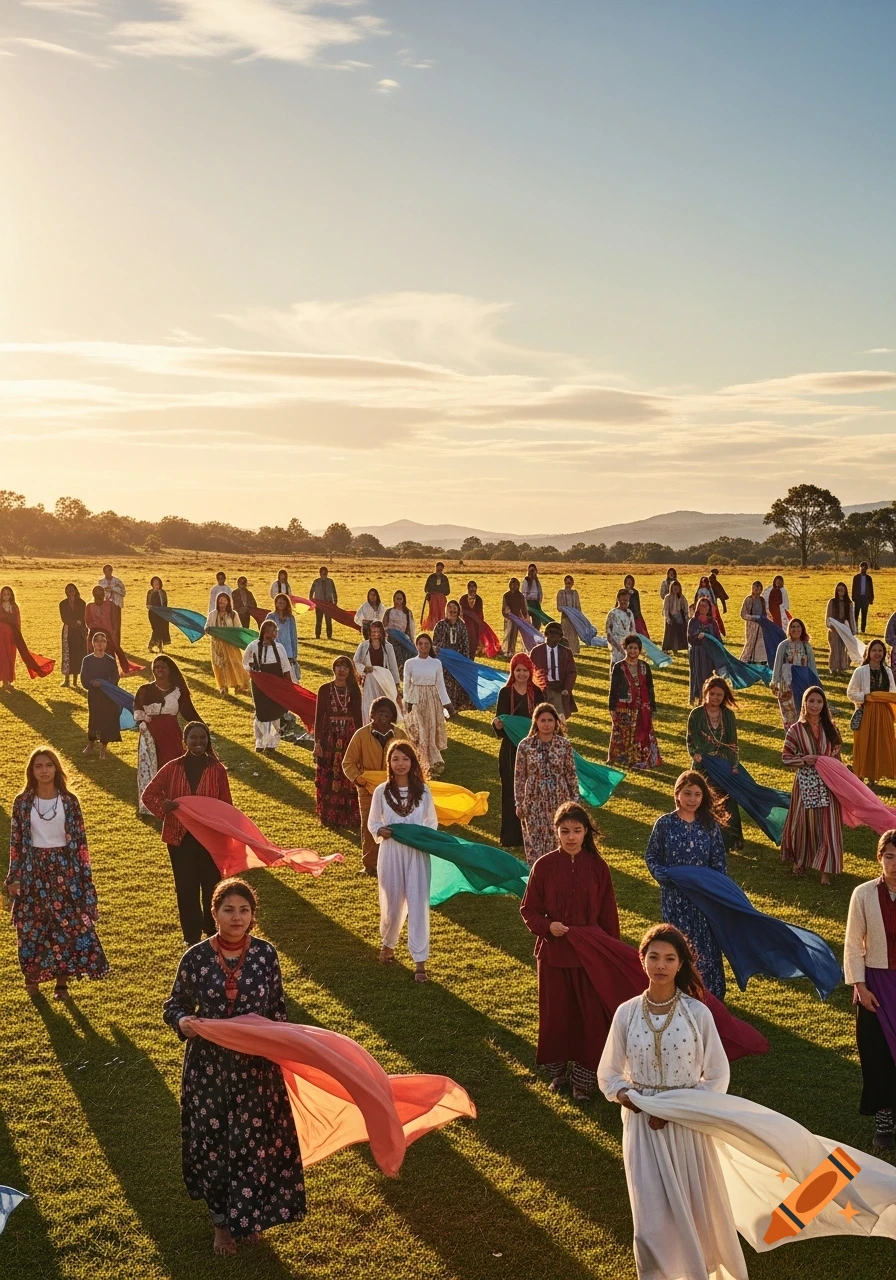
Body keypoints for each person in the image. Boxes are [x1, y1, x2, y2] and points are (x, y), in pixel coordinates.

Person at [163, 877, 305, 1254]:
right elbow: (173, 1006)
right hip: (208, 1070)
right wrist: (184, 1023)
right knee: (214, 1145)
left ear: (253, 916)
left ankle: (248, 1216)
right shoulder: (195, 958)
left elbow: (277, 1011)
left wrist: (287, 1049)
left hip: (256, 1070)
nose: (237, 917)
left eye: (244, 910)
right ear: (215, 913)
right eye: (229, 910)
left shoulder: (265, 955)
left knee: (251, 1144)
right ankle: (222, 1224)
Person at [598, 924, 748, 1280]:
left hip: (687, 1128)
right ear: (642, 959)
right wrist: (629, 1098)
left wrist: (678, 1109)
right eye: (654, 957)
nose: (661, 965)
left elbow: (716, 1076)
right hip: (642, 1128)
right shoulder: (627, 1013)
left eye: (669, 958)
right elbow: (609, 1073)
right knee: (649, 1219)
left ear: (680, 964)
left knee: (695, 1209)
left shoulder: (698, 1015)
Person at [520, 802, 620, 1100]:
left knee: (589, 1017)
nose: (571, 837)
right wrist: (548, 927)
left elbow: (608, 915)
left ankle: (583, 1081)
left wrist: (608, 952)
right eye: (565, 831)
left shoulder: (597, 867)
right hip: (553, 955)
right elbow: (529, 909)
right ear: (556, 832)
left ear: (586, 832)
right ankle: (558, 1075)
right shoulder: (544, 866)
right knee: (557, 1016)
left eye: (577, 830)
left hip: (589, 957)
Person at [6, 747, 109, 998]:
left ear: (56, 769)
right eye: (38, 766)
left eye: (48, 765)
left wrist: (84, 878)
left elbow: (81, 844)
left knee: (66, 928)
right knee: (31, 928)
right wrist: (13, 877)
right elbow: (16, 843)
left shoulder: (69, 801)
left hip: (65, 870)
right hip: (32, 871)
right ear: (31, 771)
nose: (44, 771)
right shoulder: (22, 802)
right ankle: (32, 979)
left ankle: (61, 984)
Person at [141, 722, 230, 945]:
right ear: (185, 740)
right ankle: (191, 938)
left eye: (202, 738)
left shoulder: (217, 770)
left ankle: (211, 933)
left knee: (212, 886)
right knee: (186, 888)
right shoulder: (172, 768)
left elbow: (227, 805)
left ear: (207, 741)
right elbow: (148, 795)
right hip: (179, 840)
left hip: (209, 841)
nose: (198, 742)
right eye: (194, 738)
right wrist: (165, 809)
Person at [645, 772, 729, 999]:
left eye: (697, 794)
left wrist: (714, 889)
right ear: (677, 794)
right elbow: (652, 856)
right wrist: (662, 875)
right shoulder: (665, 824)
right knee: (679, 945)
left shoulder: (709, 826)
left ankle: (709, 995)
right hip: (675, 897)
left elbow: (719, 862)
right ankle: (679, 991)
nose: (692, 799)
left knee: (706, 947)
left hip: (703, 899)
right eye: (687, 793)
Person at [369, 741, 438, 981]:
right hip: (391, 852)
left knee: (418, 903)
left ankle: (420, 961)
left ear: (413, 762)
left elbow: (431, 822)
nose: (400, 764)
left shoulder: (423, 791)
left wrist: (422, 839)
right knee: (392, 900)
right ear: (389, 762)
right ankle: (388, 945)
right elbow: (372, 822)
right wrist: (381, 830)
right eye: (395, 759)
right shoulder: (381, 791)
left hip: (417, 853)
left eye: (405, 759)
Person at [844, 830, 896, 1150]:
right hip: (875, 986)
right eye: (889, 856)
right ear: (879, 858)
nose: (895, 864)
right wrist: (860, 987)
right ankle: (884, 1122)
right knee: (878, 1055)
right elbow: (852, 944)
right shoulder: (862, 894)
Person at [780, 686, 843, 885]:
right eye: (811, 701)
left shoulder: (831, 728)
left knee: (828, 824)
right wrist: (804, 760)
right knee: (804, 823)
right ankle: (800, 862)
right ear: (805, 703)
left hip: (828, 782)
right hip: (805, 782)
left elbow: (837, 755)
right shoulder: (795, 729)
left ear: (824, 705)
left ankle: (825, 870)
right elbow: (786, 757)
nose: (815, 705)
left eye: (819, 702)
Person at [342, 697, 408, 874]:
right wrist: (359, 780)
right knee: (370, 826)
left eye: (387, 713)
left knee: (395, 825)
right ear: (372, 715)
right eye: (380, 713)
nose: (384, 717)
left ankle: (394, 863)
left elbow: (410, 760)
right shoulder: (361, 735)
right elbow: (348, 763)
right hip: (368, 791)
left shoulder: (400, 735)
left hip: (394, 791)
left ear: (393, 716)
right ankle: (370, 865)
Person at [514, 703, 579, 867]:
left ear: (556, 722)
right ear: (536, 721)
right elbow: (519, 776)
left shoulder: (564, 745)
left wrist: (575, 801)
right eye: (543, 720)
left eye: (550, 720)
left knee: (558, 834)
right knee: (535, 837)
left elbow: (570, 773)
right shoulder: (525, 746)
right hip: (534, 799)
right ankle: (538, 872)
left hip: (559, 797)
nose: (546, 724)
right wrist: (519, 802)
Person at [134, 655, 201, 811]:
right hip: (149, 735)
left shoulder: (178, 691)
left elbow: (189, 712)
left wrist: (201, 726)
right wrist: (143, 721)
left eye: (162, 667)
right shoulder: (144, 690)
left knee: (173, 765)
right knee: (152, 766)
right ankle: (152, 804)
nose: (159, 670)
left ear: (170, 670)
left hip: (171, 734)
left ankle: (176, 800)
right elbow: (137, 709)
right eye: (156, 667)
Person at [687, 677, 743, 851]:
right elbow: (690, 738)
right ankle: (703, 838)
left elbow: (733, 742)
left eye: (720, 694)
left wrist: (733, 764)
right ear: (705, 693)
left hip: (723, 766)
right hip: (703, 766)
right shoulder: (696, 714)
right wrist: (694, 753)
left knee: (727, 801)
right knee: (702, 801)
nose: (716, 698)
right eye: (712, 694)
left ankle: (728, 840)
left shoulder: (728, 715)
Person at [492, 654, 537, 847]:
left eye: (525, 670)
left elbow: (541, 719)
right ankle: (511, 837)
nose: (521, 674)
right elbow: (499, 719)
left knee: (532, 790)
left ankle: (532, 834)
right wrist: (498, 725)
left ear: (530, 672)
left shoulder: (536, 693)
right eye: (517, 670)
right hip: (511, 750)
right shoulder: (505, 692)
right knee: (511, 790)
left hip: (533, 750)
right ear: (512, 671)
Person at [314, 656, 362, 828]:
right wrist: (317, 742)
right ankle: (329, 816)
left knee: (347, 775)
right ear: (334, 669)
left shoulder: (354, 690)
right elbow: (319, 717)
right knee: (328, 774)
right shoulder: (325, 689)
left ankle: (349, 816)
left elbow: (359, 719)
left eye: (345, 667)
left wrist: (361, 743)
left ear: (350, 671)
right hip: (329, 737)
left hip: (349, 736)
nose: (342, 670)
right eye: (338, 666)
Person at [847, 639, 896, 786]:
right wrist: (866, 697)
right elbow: (850, 692)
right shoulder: (860, 671)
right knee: (865, 742)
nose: (877, 653)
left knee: (880, 742)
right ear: (869, 652)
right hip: (866, 711)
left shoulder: (887, 671)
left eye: (880, 651)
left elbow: (893, 691)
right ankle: (863, 773)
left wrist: (882, 698)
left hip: (883, 712)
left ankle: (876, 774)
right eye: (874, 650)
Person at [403, 634, 452, 777]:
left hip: (432, 699)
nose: (423, 647)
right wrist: (408, 701)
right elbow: (407, 684)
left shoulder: (436, 663)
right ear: (416, 645)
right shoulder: (410, 663)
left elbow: (440, 684)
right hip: (417, 698)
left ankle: (432, 762)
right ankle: (422, 764)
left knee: (430, 730)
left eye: (426, 644)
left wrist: (446, 703)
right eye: (420, 644)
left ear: (430, 645)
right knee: (420, 732)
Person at [608, 636, 661, 770]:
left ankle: (641, 758)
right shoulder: (619, 667)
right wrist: (612, 707)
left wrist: (652, 706)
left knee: (642, 732)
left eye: (635, 648)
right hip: (623, 707)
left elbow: (650, 687)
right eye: (630, 647)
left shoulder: (645, 667)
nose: (633, 651)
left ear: (639, 650)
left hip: (643, 707)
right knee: (623, 733)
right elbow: (614, 688)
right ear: (625, 649)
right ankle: (624, 758)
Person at [242, 620, 293, 753]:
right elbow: (245, 661)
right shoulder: (253, 646)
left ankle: (272, 743)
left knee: (275, 712)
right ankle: (260, 741)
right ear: (265, 632)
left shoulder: (279, 647)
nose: (275, 633)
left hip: (276, 684)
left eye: (276, 631)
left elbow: (285, 667)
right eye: (273, 630)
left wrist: (289, 686)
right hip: (260, 684)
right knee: (261, 712)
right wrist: (252, 671)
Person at [79, 632, 121, 759]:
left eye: (103, 641)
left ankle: (103, 748)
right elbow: (84, 679)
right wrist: (92, 683)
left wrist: (106, 684)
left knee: (106, 720)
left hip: (107, 696)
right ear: (93, 643)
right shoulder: (88, 660)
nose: (100, 643)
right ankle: (90, 744)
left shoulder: (110, 660)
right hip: (94, 695)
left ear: (106, 644)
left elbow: (115, 677)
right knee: (94, 719)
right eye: (97, 641)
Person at [770, 617, 816, 726]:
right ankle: (790, 736)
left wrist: (815, 683)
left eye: (798, 627)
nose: (795, 629)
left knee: (802, 711)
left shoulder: (806, 646)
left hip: (802, 684)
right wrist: (774, 682)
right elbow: (777, 665)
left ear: (802, 629)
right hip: (786, 684)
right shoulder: (783, 645)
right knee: (789, 714)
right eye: (793, 627)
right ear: (789, 629)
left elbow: (812, 667)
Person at [353, 620, 401, 723]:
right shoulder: (363, 646)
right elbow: (355, 662)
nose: (375, 634)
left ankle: (384, 725)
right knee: (369, 703)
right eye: (373, 632)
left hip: (384, 679)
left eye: (378, 632)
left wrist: (396, 683)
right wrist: (364, 668)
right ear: (369, 632)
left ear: (381, 633)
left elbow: (393, 666)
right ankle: (369, 725)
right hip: (370, 679)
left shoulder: (388, 647)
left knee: (383, 703)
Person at [433, 600, 475, 712]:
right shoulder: (440, 625)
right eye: (450, 608)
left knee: (456, 683)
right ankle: (443, 706)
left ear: (458, 611)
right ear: (446, 611)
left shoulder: (461, 625)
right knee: (445, 683)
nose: (452, 610)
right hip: (443, 662)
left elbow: (466, 644)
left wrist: (465, 661)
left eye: (454, 608)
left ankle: (454, 707)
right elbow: (435, 643)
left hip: (457, 661)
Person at [531, 621, 578, 719]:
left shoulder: (566, 652)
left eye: (557, 633)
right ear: (545, 634)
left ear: (561, 636)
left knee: (560, 718)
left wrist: (566, 689)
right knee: (542, 716)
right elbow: (531, 671)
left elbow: (572, 672)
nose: (554, 635)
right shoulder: (536, 652)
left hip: (559, 690)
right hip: (542, 690)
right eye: (551, 632)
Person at [207, 593, 250, 695]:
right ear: (217, 602)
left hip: (231, 644)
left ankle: (238, 685)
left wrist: (232, 635)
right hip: (217, 645)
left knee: (235, 663)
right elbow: (207, 627)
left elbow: (239, 628)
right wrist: (209, 630)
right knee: (220, 665)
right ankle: (223, 687)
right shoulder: (212, 614)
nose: (222, 603)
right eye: (220, 601)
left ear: (228, 602)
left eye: (224, 601)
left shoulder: (233, 614)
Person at [686, 596, 720, 703]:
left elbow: (718, 638)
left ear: (709, 608)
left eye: (705, 606)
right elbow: (690, 638)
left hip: (709, 654)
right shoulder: (693, 622)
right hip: (697, 653)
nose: (703, 608)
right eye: (701, 606)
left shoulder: (712, 622)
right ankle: (697, 697)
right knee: (697, 675)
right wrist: (697, 637)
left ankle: (707, 697)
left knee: (708, 675)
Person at [59, 583, 88, 689]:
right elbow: (64, 617)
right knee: (67, 653)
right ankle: (66, 679)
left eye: (72, 590)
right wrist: (75, 623)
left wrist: (79, 625)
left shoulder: (81, 603)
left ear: (76, 591)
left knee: (78, 654)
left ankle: (75, 680)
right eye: (69, 591)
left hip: (79, 631)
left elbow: (82, 617)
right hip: (68, 630)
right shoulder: (63, 604)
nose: (71, 593)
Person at [265, 594, 299, 683]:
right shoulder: (271, 617)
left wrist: (294, 654)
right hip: (274, 650)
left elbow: (293, 636)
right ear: (275, 603)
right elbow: (266, 634)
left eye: (283, 602)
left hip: (288, 651)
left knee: (289, 678)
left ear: (286, 604)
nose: (281, 603)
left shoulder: (290, 618)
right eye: (279, 602)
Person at [382, 590, 415, 676]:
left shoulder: (407, 613)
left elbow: (411, 628)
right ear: (394, 600)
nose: (399, 601)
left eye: (400, 599)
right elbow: (384, 626)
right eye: (397, 599)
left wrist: (412, 641)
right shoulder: (389, 611)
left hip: (403, 638)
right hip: (391, 637)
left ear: (403, 600)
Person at [826, 581, 857, 674]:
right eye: (839, 590)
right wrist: (830, 626)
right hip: (834, 630)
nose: (840, 591)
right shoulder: (832, 602)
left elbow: (851, 617)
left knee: (844, 649)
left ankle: (843, 668)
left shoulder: (849, 603)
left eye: (842, 590)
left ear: (845, 591)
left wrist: (853, 631)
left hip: (845, 629)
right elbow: (828, 616)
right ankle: (833, 667)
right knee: (835, 648)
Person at [605, 589, 636, 665]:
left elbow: (632, 629)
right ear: (618, 600)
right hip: (616, 645)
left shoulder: (629, 613)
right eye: (623, 600)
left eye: (627, 600)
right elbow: (608, 633)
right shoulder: (612, 614)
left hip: (628, 645)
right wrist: (617, 647)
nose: (625, 602)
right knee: (616, 665)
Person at [739, 580, 768, 663]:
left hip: (761, 624)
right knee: (750, 642)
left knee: (760, 642)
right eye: (755, 589)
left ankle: (759, 659)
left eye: (758, 589)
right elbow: (743, 613)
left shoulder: (762, 600)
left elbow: (764, 612)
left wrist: (764, 619)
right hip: (751, 624)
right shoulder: (748, 600)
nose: (756, 591)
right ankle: (745, 660)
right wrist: (752, 617)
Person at [501, 577, 529, 656]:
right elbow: (504, 608)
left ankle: (512, 651)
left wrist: (525, 618)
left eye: (515, 585)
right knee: (508, 634)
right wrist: (507, 614)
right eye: (512, 584)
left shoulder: (520, 596)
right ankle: (506, 651)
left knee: (514, 635)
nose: (513, 586)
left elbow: (523, 608)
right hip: (509, 619)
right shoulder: (506, 595)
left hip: (517, 619)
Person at [97, 564, 125, 641]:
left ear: (112, 571)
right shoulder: (101, 582)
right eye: (106, 571)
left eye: (109, 571)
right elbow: (97, 594)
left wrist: (113, 589)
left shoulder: (118, 581)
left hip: (115, 605)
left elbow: (123, 592)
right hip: (104, 606)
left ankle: (116, 643)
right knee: (106, 625)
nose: (107, 573)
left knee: (116, 625)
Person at [661, 578, 687, 655]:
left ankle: (676, 648)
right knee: (669, 634)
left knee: (678, 633)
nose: (676, 589)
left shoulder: (681, 597)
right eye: (674, 588)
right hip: (670, 617)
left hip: (679, 617)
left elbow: (685, 607)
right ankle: (666, 648)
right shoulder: (668, 597)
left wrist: (686, 617)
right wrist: (668, 618)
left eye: (677, 588)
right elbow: (665, 609)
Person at [309, 566, 337, 639]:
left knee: (328, 621)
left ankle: (329, 636)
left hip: (328, 604)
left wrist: (335, 602)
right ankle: (317, 635)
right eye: (323, 574)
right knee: (319, 621)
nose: (325, 575)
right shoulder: (316, 582)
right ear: (320, 574)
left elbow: (334, 592)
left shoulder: (330, 582)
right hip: (319, 605)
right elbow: (311, 592)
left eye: (326, 574)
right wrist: (311, 602)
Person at [556, 575, 581, 654]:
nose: (568, 585)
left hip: (574, 619)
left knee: (573, 635)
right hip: (565, 618)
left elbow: (578, 606)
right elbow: (559, 607)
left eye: (569, 583)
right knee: (565, 634)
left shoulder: (575, 593)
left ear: (572, 583)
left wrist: (579, 617)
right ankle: (565, 651)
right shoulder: (561, 593)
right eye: (566, 583)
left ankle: (574, 651)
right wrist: (566, 610)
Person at [422, 562, 451, 629]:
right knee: (433, 612)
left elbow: (448, 591)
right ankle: (432, 626)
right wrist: (430, 595)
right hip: (433, 598)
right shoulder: (431, 577)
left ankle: (442, 626)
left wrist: (441, 594)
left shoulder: (444, 578)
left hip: (441, 599)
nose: (439, 570)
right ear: (436, 568)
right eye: (438, 568)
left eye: (441, 569)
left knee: (441, 612)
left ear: (443, 569)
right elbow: (426, 588)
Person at [147, 575, 170, 653]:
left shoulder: (163, 592)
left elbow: (165, 603)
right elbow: (147, 604)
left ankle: (158, 647)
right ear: (152, 584)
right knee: (156, 629)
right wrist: (151, 607)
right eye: (155, 583)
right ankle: (153, 645)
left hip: (162, 614)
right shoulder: (150, 592)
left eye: (158, 582)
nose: (156, 584)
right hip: (153, 614)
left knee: (161, 630)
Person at [461, 581, 484, 655]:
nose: (472, 589)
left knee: (474, 642)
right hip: (465, 624)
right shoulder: (463, 598)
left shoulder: (479, 599)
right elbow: (461, 611)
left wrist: (479, 622)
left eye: (474, 587)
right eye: (470, 587)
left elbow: (480, 613)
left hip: (475, 624)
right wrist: (469, 614)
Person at [853, 560, 875, 633]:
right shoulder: (856, 577)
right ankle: (855, 628)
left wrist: (871, 598)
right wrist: (853, 597)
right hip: (858, 598)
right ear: (860, 568)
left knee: (864, 615)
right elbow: (853, 588)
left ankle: (863, 630)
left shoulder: (869, 578)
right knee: (856, 614)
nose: (863, 569)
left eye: (864, 568)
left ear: (866, 569)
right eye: (861, 568)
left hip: (866, 599)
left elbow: (871, 588)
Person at [521, 564, 543, 630]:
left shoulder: (537, 581)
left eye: (533, 570)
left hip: (536, 602)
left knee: (537, 622)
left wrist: (539, 602)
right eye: (530, 570)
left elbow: (540, 593)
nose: (532, 572)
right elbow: (524, 593)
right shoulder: (526, 580)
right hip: (528, 602)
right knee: (527, 622)